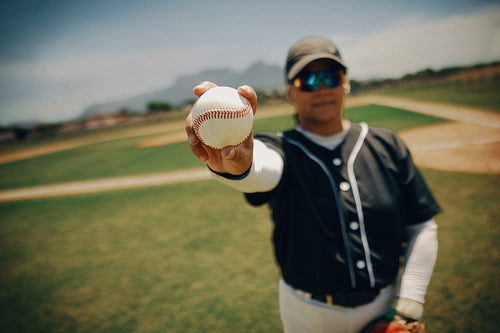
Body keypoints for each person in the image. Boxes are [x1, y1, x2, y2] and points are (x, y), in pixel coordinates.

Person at [185, 36, 440, 333]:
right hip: (308, 316)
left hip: (385, 306)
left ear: (345, 84)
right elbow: (263, 169)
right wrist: (239, 165)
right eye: (307, 80)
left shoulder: (386, 144)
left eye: (331, 76)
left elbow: (422, 224)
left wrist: (408, 308)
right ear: (290, 93)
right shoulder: (281, 146)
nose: (320, 88)